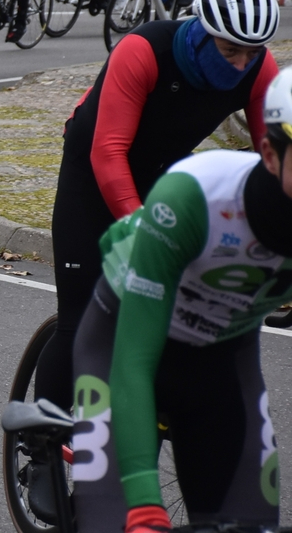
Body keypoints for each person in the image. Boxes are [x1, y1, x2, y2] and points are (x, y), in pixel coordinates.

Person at [28, 0, 281, 521]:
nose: (241, 62)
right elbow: (108, 155)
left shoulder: (259, 69)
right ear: (203, 28)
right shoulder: (145, 50)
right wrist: (146, 233)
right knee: (79, 316)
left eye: (252, 52)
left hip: (165, 176)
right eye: (231, 49)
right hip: (96, 174)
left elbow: (269, 164)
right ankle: (40, 445)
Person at [68, 67, 292, 533]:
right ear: (269, 153)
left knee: (253, 522)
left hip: (223, 360)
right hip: (122, 345)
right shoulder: (194, 196)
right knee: (118, 521)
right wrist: (147, 508)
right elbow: (132, 362)